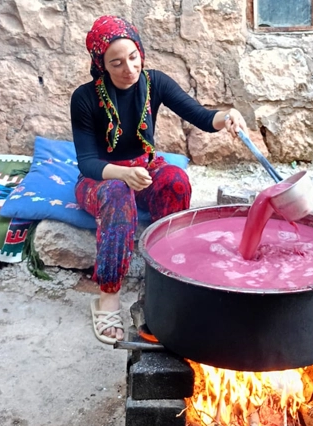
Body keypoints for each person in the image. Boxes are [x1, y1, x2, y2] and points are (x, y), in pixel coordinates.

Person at [71, 15, 248, 344]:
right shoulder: (84, 98)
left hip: (144, 166)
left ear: (140, 50)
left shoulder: (155, 83)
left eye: (134, 56)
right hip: (102, 178)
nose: (129, 69)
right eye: (117, 63)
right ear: (102, 65)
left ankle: (168, 279)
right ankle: (108, 296)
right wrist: (122, 173)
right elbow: (87, 162)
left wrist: (228, 117)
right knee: (117, 195)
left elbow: (202, 116)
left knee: (176, 179)